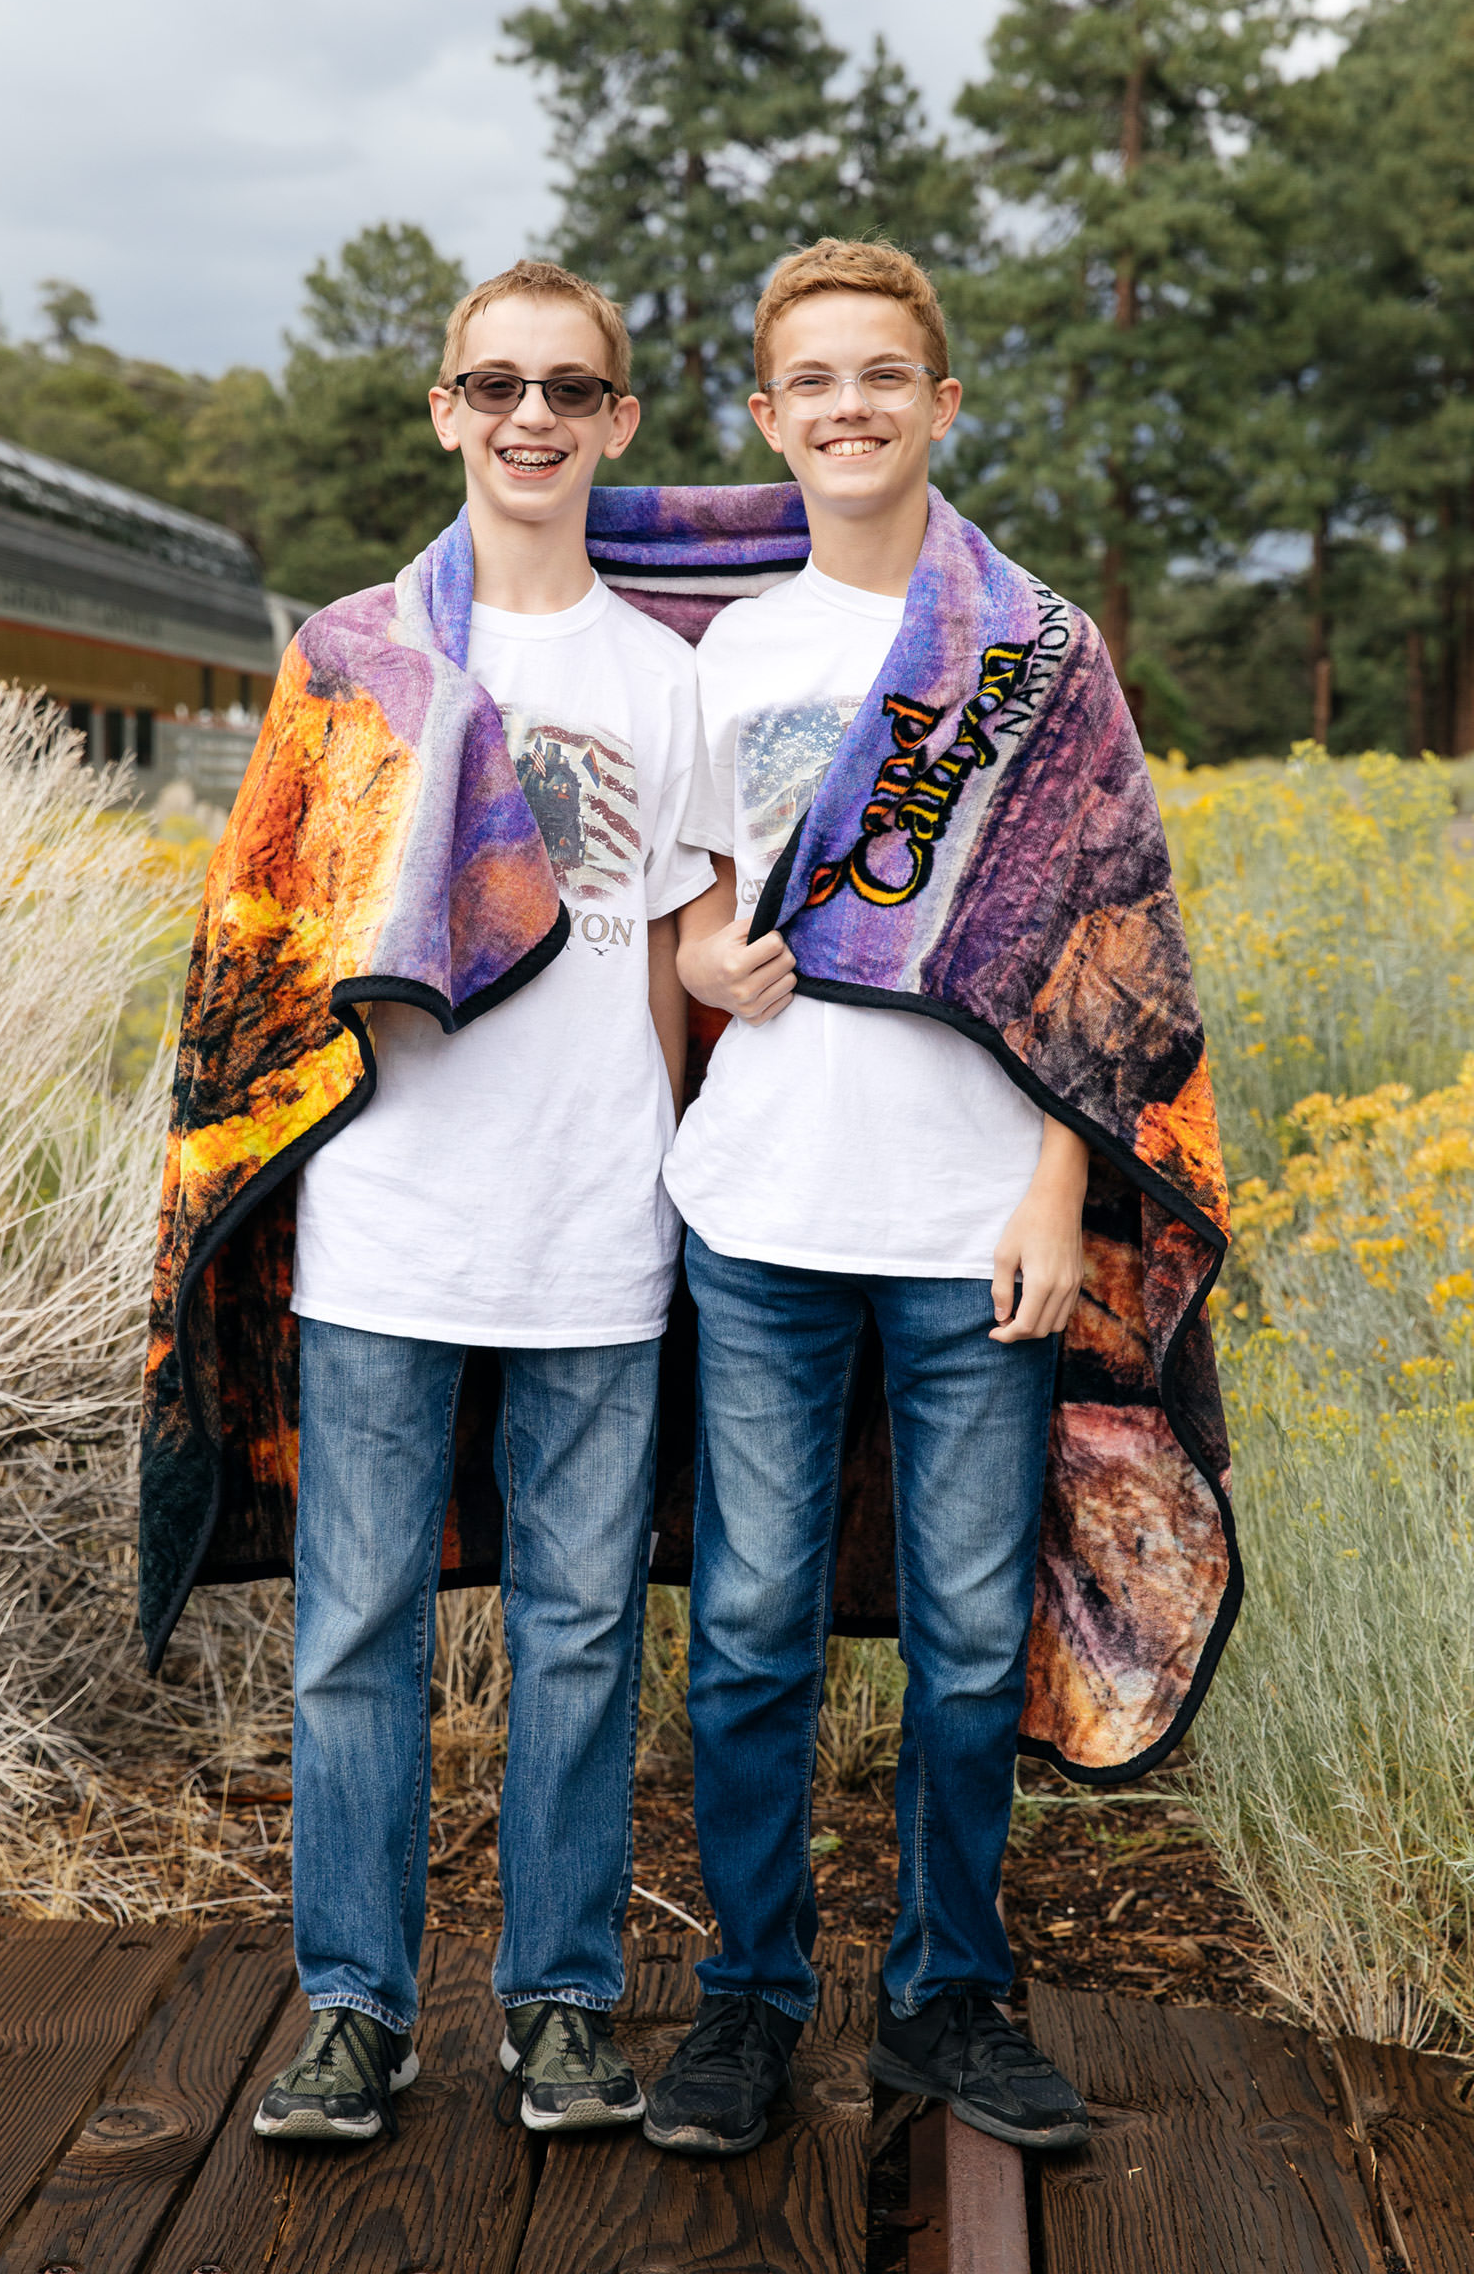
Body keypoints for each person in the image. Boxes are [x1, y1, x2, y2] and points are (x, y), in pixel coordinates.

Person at [251, 261, 714, 2144]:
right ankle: (355, 2007)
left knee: (583, 1635)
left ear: (617, 421)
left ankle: (564, 2002)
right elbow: (268, 944)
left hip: (598, 1220)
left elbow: (677, 958)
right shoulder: (354, 659)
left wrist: (679, 1169)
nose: (532, 417)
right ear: (443, 407)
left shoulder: (666, 678)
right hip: (387, 1221)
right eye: (495, 383)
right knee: (354, 1631)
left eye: (571, 389)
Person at [646, 239, 1094, 2157]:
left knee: (974, 1640)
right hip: (762, 1212)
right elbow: (680, 900)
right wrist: (710, 963)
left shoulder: (1034, 649)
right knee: (749, 1625)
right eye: (812, 379)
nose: (849, 405)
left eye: (884, 374)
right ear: (770, 419)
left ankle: (946, 1996)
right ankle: (748, 2000)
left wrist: (1065, 1184)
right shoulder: (731, 654)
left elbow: (1109, 949)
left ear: (942, 403)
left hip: (973, 1218)